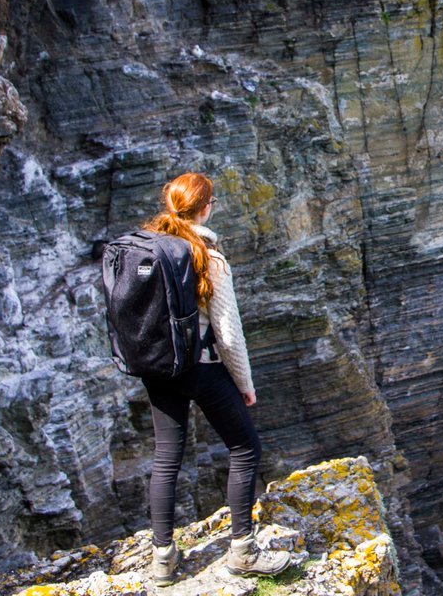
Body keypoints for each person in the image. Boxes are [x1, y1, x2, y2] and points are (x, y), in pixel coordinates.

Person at [140, 172, 291, 585]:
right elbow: (227, 334)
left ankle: (163, 560)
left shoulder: (147, 250)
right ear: (205, 208)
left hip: (158, 368)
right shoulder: (209, 259)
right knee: (244, 448)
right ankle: (242, 550)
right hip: (202, 368)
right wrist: (245, 384)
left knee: (166, 458)